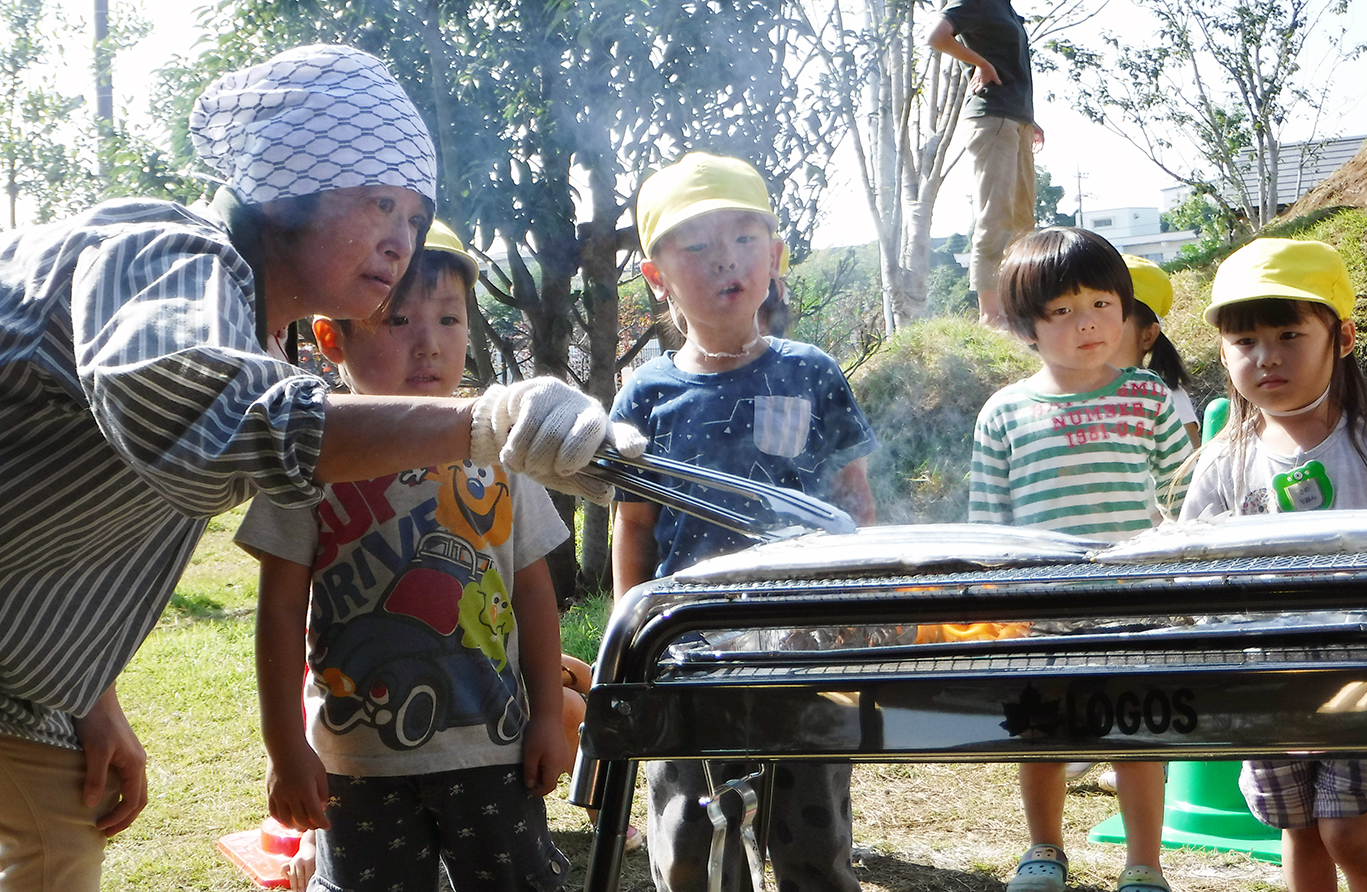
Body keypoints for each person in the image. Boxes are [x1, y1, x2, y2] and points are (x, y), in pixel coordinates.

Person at [0, 45, 639, 892]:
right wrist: (485, 423)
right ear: (280, 186)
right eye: (379, 202)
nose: (400, 242)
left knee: (57, 852)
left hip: (25, 689)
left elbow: (78, 526)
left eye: (414, 218)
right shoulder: (160, 251)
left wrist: (89, 696)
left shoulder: (255, 336)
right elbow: (192, 412)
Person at [236, 217, 578, 891]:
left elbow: (535, 596)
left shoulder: (503, 454)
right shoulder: (311, 457)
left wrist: (545, 716)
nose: (429, 346)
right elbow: (278, 611)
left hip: (493, 747)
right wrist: (285, 747)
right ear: (332, 338)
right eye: (398, 324)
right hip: (355, 759)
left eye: (449, 321)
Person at [611, 151, 878, 892]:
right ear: (657, 277)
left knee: (811, 838)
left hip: (801, 644)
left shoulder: (810, 372)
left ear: (775, 255)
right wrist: (631, 634)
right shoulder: (645, 395)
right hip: (686, 650)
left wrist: (861, 607)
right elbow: (633, 527)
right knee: (690, 836)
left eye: (742, 238)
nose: (722, 259)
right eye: (693, 246)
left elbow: (853, 500)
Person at [968, 227, 1192, 892]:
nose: (1085, 323)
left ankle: (1143, 863)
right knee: (1039, 732)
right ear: (1025, 327)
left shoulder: (1145, 397)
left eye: (1099, 303)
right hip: (1041, 606)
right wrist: (995, 600)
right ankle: (1042, 850)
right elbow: (988, 523)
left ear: (1124, 309)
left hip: (1131, 602)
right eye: (1060, 311)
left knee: (1136, 735)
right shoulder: (1003, 412)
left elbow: (1183, 503)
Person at [1178, 238, 1367, 892]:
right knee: (1298, 830)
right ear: (1222, 352)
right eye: (1243, 341)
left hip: (1363, 677)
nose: (1265, 356)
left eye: (1287, 333)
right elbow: (1191, 566)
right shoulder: (1223, 461)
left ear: (1343, 337)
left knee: (1346, 830)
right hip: (1265, 679)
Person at [928, 0, 1043, 328]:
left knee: (1024, 221)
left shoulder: (1005, 8)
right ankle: (991, 314)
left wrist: (1030, 119)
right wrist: (978, 63)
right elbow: (936, 36)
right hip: (991, 118)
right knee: (996, 215)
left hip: (1016, 119)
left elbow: (1013, 69)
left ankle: (1018, 305)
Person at [1114, 255, 1201, 448]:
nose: (1091, 328)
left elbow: (1188, 472)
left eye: (1112, 319)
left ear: (1147, 336)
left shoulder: (1167, 398)